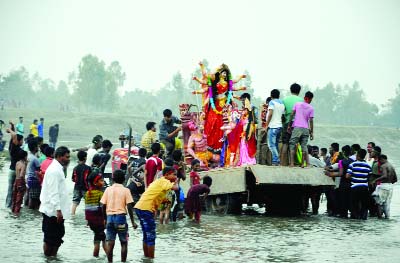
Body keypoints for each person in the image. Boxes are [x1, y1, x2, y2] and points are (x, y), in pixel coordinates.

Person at [135, 166, 179, 259]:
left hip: (140, 207)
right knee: (151, 237)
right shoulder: (164, 181)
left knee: (146, 235)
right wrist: (176, 182)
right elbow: (176, 188)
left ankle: (146, 258)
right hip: (146, 209)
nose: (176, 176)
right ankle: (151, 259)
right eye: (174, 174)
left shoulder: (159, 181)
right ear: (167, 175)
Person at [39, 146, 71, 257]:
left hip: (56, 211)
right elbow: (53, 192)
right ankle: (49, 258)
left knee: (57, 237)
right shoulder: (54, 170)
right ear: (59, 156)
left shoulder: (58, 169)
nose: (68, 159)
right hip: (52, 211)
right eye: (66, 157)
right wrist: (58, 210)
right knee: (50, 238)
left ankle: (52, 258)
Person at [100, 169, 137, 263]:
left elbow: (103, 205)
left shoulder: (108, 189)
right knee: (124, 242)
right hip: (120, 218)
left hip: (109, 218)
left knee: (110, 243)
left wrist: (104, 219)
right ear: (124, 179)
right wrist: (133, 222)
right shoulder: (126, 190)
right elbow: (129, 206)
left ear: (113, 179)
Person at [288, 91, 314, 167]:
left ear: (304, 98)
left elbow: (292, 114)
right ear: (309, 99)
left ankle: (292, 163)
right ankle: (303, 163)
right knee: (304, 146)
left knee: (292, 144)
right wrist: (311, 132)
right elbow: (311, 121)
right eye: (311, 99)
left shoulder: (297, 104)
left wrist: (289, 125)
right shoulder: (311, 108)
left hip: (297, 128)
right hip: (306, 129)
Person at [85, 172, 107, 258]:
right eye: (101, 180)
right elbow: (103, 209)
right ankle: (108, 257)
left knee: (98, 239)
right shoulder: (100, 194)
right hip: (99, 222)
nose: (103, 182)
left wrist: (88, 220)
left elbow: (87, 209)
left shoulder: (87, 193)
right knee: (102, 241)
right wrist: (105, 219)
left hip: (91, 222)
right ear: (95, 183)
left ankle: (98, 257)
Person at [346, 149, 371, 220]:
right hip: (364, 188)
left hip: (355, 187)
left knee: (354, 205)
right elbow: (369, 178)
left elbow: (347, 176)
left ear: (357, 156)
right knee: (364, 205)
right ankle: (363, 219)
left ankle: (355, 219)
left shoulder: (352, 164)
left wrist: (354, 176)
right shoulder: (368, 166)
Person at [281, 83, 303, 166]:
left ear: (290, 90)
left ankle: (282, 163)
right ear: (299, 91)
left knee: (285, 143)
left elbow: (282, 114)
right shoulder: (301, 101)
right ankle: (295, 163)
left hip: (287, 123)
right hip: (298, 124)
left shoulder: (285, 100)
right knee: (297, 144)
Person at [371, 154, 397, 218]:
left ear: (382, 159)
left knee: (379, 203)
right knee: (387, 204)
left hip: (383, 186)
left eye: (379, 161)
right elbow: (395, 179)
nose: (379, 163)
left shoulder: (383, 166)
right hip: (390, 186)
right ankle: (387, 218)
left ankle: (380, 218)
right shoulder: (391, 166)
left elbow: (384, 176)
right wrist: (389, 183)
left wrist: (375, 180)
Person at [5, 124, 24, 208]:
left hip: (12, 170)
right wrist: (9, 130)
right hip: (14, 171)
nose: (22, 142)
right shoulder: (15, 147)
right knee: (13, 190)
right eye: (22, 140)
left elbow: (13, 136)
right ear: (18, 141)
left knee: (11, 190)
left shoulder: (12, 147)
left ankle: (8, 205)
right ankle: (10, 206)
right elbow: (14, 135)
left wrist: (12, 127)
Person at [265, 89, 285, 166]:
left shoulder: (271, 102)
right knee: (275, 144)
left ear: (271, 95)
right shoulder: (282, 103)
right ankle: (275, 161)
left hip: (273, 126)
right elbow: (283, 115)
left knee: (271, 145)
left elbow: (270, 114)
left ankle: (276, 160)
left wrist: (266, 125)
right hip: (279, 126)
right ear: (279, 95)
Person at [71, 151, 92, 215]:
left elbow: (73, 179)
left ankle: (72, 215)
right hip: (85, 188)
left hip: (76, 187)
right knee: (88, 203)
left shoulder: (75, 168)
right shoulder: (88, 168)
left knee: (75, 202)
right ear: (85, 158)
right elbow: (90, 179)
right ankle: (88, 216)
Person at [11, 150, 28, 215]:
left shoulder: (17, 163)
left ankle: (13, 211)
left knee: (14, 198)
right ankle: (16, 214)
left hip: (16, 180)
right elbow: (21, 175)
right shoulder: (23, 165)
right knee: (19, 200)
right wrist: (24, 182)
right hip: (20, 182)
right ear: (24, 157)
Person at [26, 140, 42, 209]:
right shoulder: (35, 159)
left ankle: (30, 213)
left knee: (30, 197)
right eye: (37, 146)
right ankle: (32, 213)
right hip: (34, 179)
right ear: (35, 147)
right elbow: (39, 171)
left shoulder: (28, 156)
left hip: (28, 178)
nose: (38, 148)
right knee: (35, 199)